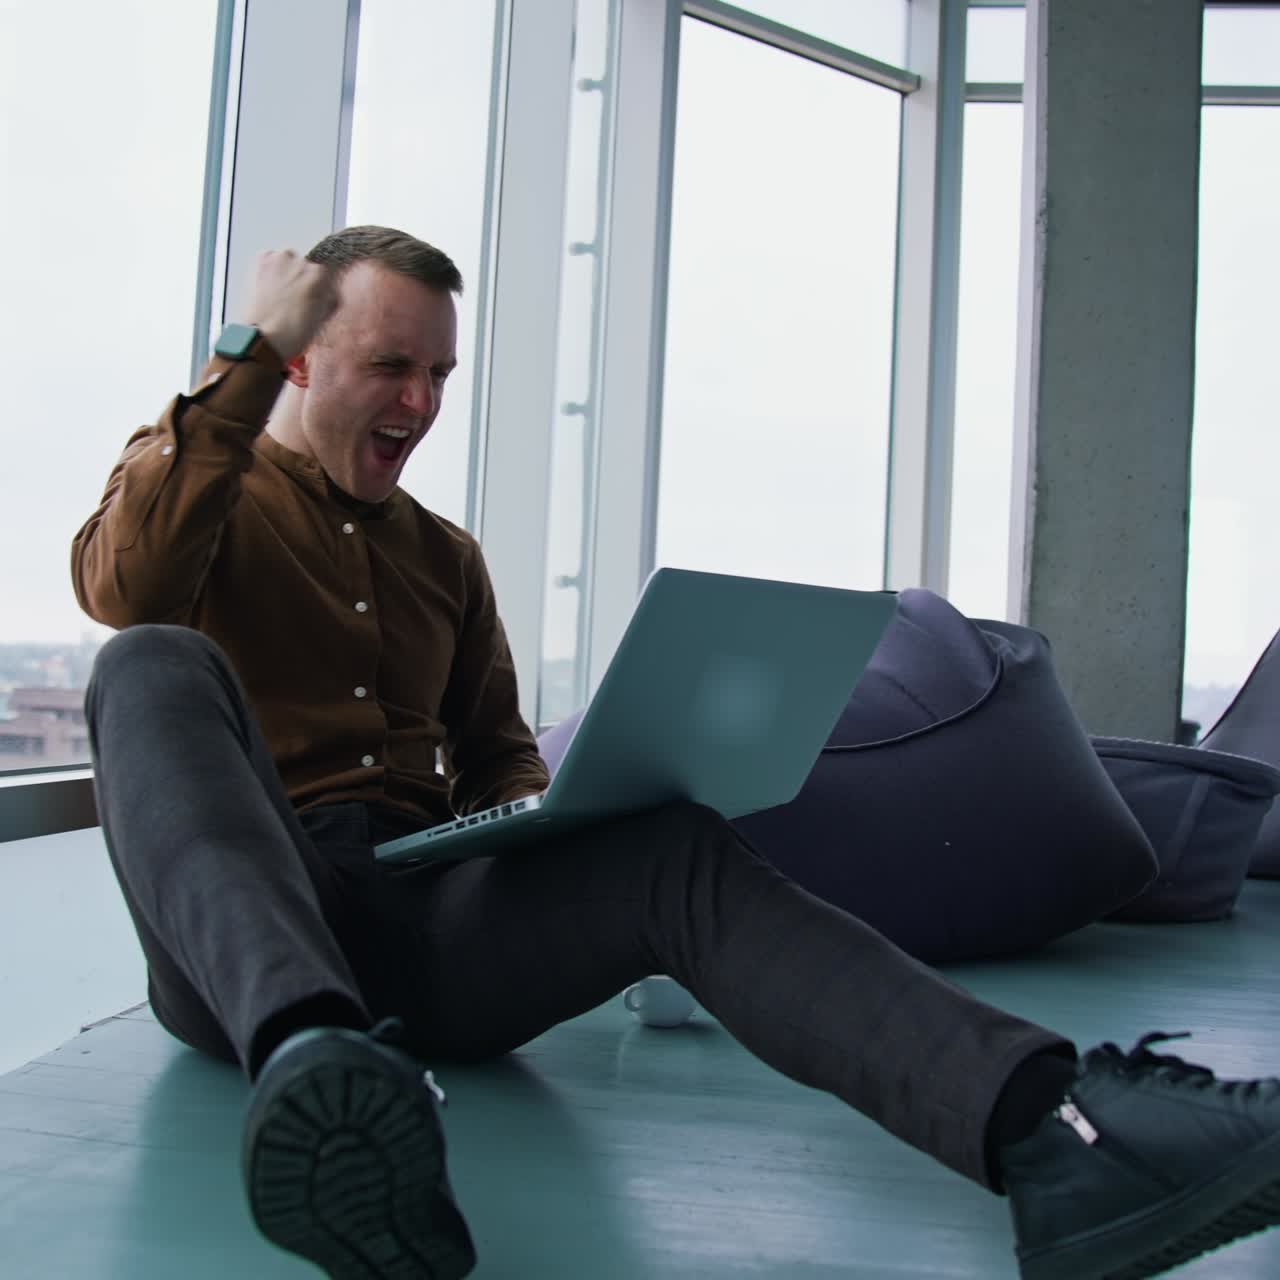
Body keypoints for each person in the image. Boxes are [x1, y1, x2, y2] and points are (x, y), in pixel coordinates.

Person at [72, 225, 1280, 1280]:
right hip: (248, 934)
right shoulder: (207, 489)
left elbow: (494, 754)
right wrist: (241, 348)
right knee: (149, 661)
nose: (421, 401)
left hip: (423, 913)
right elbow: (127, 586)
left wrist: (547, 819)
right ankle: (318, 1074)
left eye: (439, 372)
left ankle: (1054, 1127)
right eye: (391, 365)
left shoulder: (446, 558)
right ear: (296, 359)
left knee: (669, 844)